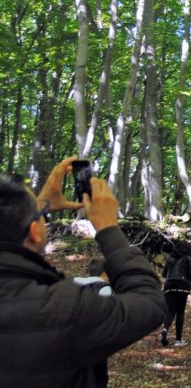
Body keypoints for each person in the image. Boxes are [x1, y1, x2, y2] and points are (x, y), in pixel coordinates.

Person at [0, 157, 166, 388]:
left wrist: (40, 208)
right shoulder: (64, 309)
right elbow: (150, 303)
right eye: (40, 217)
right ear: (34, 232)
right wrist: (108, 228)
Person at [160, 243, 191, 347]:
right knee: (180, 312)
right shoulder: (188, 258)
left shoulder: (170, 258)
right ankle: (178, 340)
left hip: (169, 285)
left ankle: (165, 329)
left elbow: (164, 274)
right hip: (182, 284)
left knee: (171, 311)